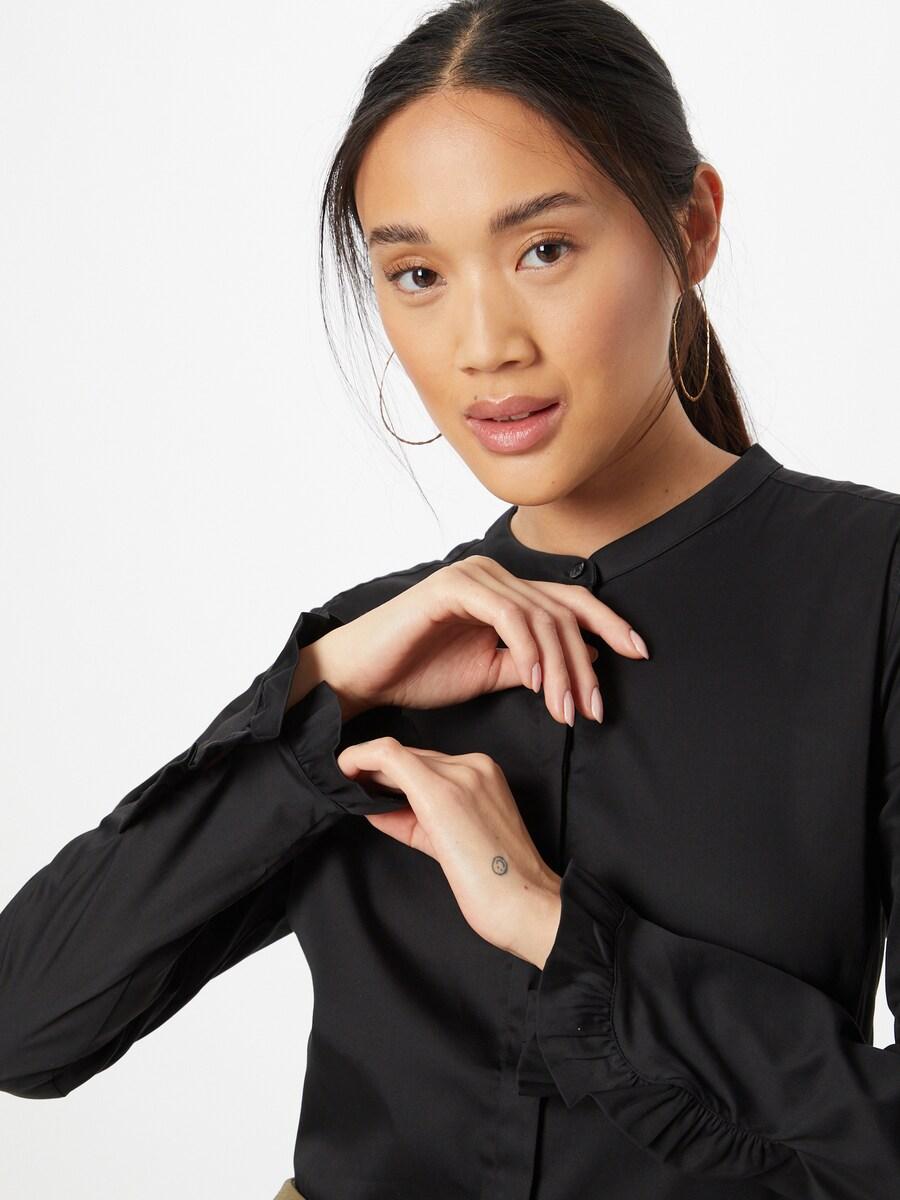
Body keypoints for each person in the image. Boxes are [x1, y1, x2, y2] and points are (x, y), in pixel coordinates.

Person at [2, 1, 899, 1197]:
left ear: (691, 228)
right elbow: (27, 1023)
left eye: (544, 250)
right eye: (418, 274)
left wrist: (548, 923)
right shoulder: (367, 655)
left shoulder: (873, 589)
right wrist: (314, 697)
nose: (483, 345)